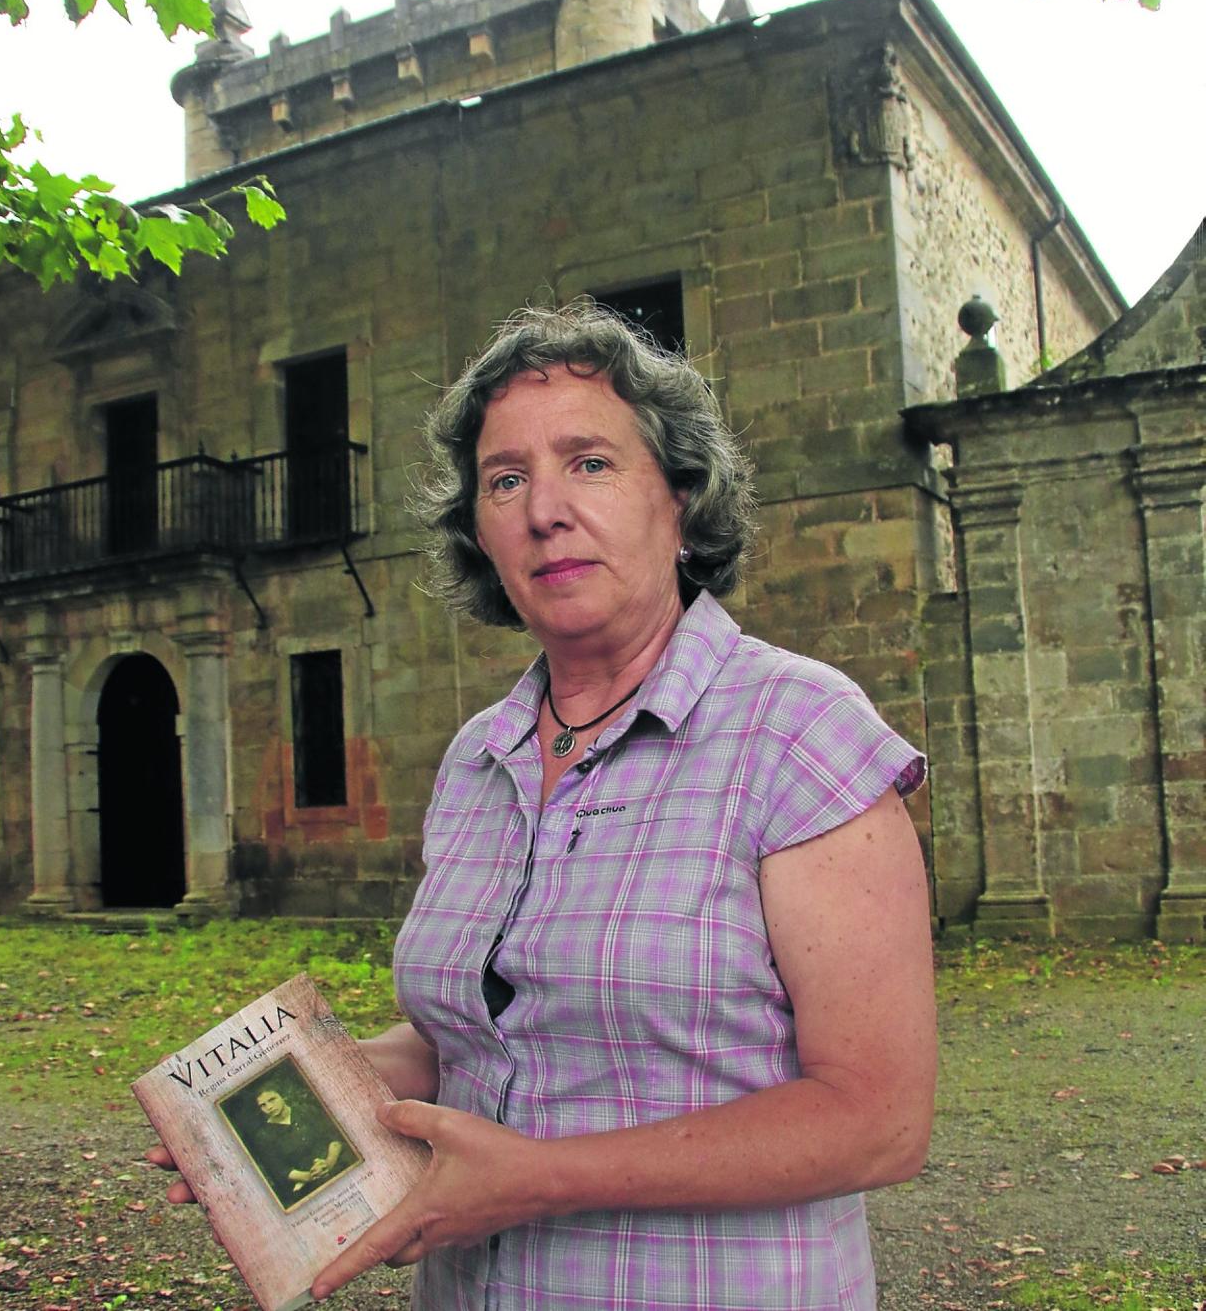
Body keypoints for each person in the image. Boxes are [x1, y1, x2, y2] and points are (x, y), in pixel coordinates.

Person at [150, 303, 936, 1310]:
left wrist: (539, 1174)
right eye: (506, 479)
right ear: (479, 528)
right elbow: (477, 1036)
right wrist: (283, 1099)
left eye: (591, 464)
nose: (544, 509)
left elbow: (876, 1118)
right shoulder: (482, 754)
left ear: (682, 498)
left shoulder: (800, 731)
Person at [237, 1084, 353, 1207]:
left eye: (272, 1099)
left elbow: (333, 1137)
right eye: (263, 1105)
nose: (269, 1107)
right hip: (306, 1182)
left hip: (335, 1163)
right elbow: (281, 1170)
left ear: (282, 1096)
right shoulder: (264, 1136)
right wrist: (310, 1176)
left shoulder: (306, 1110)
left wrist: (328, 1164)